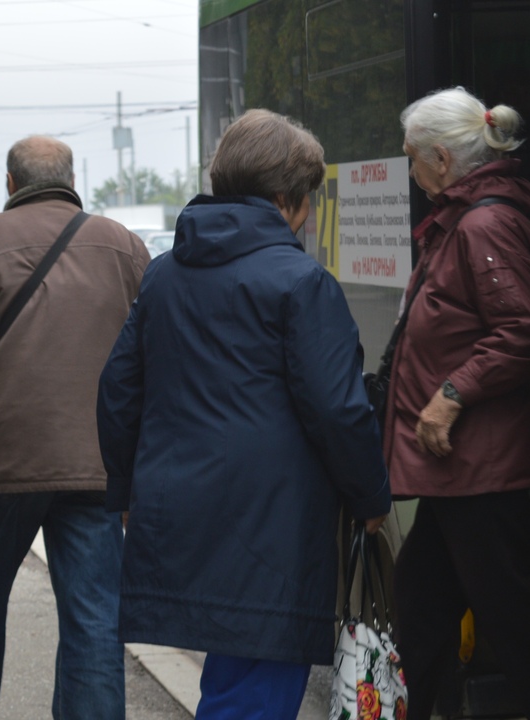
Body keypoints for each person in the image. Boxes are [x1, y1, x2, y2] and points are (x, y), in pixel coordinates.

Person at [97, 108, 391, 720]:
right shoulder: (301, 282)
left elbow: (118, 393)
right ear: (287, 200)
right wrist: (371, 500)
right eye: (308, 201)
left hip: (181, 510)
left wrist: (126, 494)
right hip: (271, 526)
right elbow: (338, 410)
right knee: (256, 689)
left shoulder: (164, 276)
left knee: (233, 675)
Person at [0, 136, 148, 720]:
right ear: (72, 177)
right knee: (96, 617)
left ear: (9, 181)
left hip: (6, 458)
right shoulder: (124, 245)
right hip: (97, 462)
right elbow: (145, 348)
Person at [385, 87, 530, 720]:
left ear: (441, 159)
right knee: (422, 604)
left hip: (485, 468)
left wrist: (451, 395)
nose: (409, 171)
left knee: (506, 618)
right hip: (462, 470)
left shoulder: (485, 223)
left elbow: (524, 329)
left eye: (411, 158)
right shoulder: (465, 219)